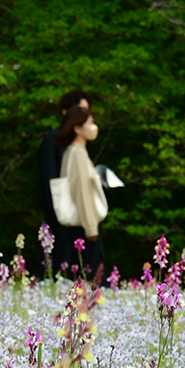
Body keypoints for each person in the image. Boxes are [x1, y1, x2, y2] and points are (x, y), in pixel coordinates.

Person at [45, 103, 110, 280]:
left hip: (77, 225)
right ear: (78, 129)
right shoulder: (78, 155)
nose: (93, 128)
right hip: (85, 225)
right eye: (89, 124)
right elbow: (82, 193)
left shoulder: (71, 153)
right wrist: (91, 228)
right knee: (91, 278)